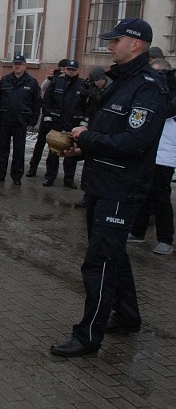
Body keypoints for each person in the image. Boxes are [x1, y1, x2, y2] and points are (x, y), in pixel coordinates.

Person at [50, 18, 168, 357]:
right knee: (113, 254)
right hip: (103, 182)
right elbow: (111, 133)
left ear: (136, 44)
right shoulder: (120, 81)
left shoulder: (147, 86)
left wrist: (88, 138)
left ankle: (88, 336)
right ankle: (128, 315)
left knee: (99, 261)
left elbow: (134, 141)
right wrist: (83, 147)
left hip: (122, 187)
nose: (109, 46)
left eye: (115, 41)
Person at [127, 58, 176, 255]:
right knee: (142, 194)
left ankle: (165, 238)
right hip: (149, 151)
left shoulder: (169, 93)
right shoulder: (156, 91)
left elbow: (162, 111)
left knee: (161, 197)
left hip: (165, 154)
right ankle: (138, 231)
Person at [0, 55, 41, 185]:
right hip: (5, 120)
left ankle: (16, 177)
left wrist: (33, 120)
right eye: (15, 64)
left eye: (20, 64)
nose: (17, 66)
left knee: (19, 150)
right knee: (3, 149)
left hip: (21, 121)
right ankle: (0, 175)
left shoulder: (31, 82)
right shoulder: (5, 81)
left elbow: (37, 103)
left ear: (25, 66)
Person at [41, 59, 86, 189]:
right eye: (68, 69)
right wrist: (48, 117)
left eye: (73, 70)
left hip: (73, 124)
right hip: (57, 122)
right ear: (64, 69)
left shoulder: (82, 85)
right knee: (53, 152)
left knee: (70, 153)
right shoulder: (57, 82)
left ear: (77, 71)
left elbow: (85, 106)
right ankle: (49, 177)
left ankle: (69, 180)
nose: (70, 72)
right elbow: (47, 101)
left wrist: (83, 122)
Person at [75, 66, 112, 208]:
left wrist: (93, 94)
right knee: (89, 162)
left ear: (103, 79)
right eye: (94, 81)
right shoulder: (93, 87)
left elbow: (103, 101)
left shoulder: (111, 88)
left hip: (103, 128)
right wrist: (84, 94)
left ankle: (97, 195)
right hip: (91, 123)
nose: (96, 84)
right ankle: (87, 195)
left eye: (98, 81)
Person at [26, 59, 68, 177]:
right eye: (61, 69)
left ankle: (51, 173)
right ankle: (33, 167)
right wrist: (50, 78)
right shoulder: (53, 79)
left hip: (59, 118)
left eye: (65, 69)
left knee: (55, 146)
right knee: (40, 143)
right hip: (47, 116)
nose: (63, 71)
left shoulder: (68, 82)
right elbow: (43, 88)